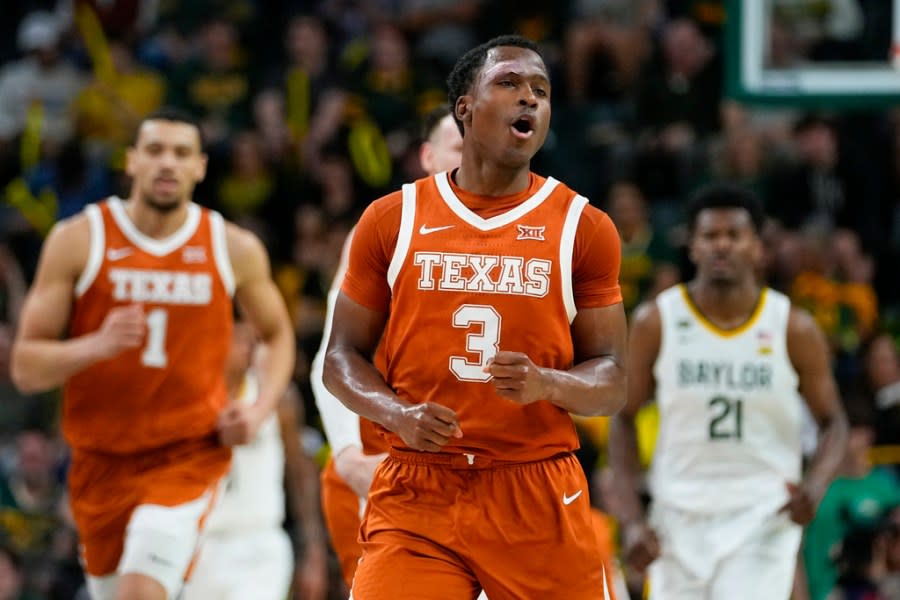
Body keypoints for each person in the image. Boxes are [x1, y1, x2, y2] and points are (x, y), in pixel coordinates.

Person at [323, 35, 627, 599]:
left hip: (532, 485)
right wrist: (396, 413)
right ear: (464, 107)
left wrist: (548, 383)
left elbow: (611, 379)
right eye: (509, 84)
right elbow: (339, 357)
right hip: (420, 486)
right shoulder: (393, 218)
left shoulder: (584, 227)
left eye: (541, 90)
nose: (529, 100)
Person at [10, 108, 295, 600]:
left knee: (139, 592)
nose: (168, 163)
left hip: (185, 456)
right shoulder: (79, 239)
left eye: (181, 153)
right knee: (111, 590)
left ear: (200, 167)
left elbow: (277, 334)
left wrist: (259, 407)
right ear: (132, 161)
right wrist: (95, 345)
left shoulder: (232, 247)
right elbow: (26, 368)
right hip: (100, 458)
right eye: (156, 150)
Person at [608, 184, 849, 599]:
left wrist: (816, 486)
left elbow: (835, 423)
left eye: (734, 235)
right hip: (677, 515)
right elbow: (623, 419)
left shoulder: (792, 327)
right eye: (710, 236)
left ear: (757, 247)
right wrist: (631, 520)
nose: (722, 245)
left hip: (760, 515)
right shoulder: (657, 321)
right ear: (693, 246)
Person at [310, 103, 463, 590]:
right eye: (458, 145)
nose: (472, 156)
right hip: (383, 463)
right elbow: (333, 356)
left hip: (476, 471)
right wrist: (350, 452)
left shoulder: (531, 231)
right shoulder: (387, 227)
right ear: (428, 155)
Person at [182, 319, 328, 600]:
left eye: (254, 340)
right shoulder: (188, 399)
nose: (249, 348)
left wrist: (313, 547)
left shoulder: (277, 398)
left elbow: (299, 472)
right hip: (198, 542)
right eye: (241, 339)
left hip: (258, 541)